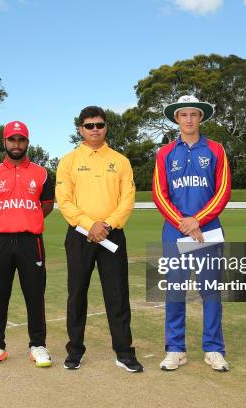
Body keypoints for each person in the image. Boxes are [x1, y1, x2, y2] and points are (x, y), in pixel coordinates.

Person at [55, 106, 143, 373]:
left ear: (106, 127)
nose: (95, 129)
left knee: (117, 296)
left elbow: (127, 200)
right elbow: (65, 201)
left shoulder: (121, 161)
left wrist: (106, 224)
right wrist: (89, 225)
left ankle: (124, 352)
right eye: (89, 125)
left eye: (100, 125)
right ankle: (75, 352)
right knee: (77, 295)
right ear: (80, 128)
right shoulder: (68, 161)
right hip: (80, 235)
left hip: (112, 234)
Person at [152, 95, 232, 372]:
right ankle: (175, 349)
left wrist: (198, 220)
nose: (188, 119)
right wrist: (183, 222)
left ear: (201, 118)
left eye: (193, 115)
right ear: (176, 118)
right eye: (183, 115)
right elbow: (159, 195)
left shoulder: (216, 149)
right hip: (175, 231)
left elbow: (223, 191)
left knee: (211, 292)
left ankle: (214, 349)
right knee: (175, 291)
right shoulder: (164, 153)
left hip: (208, 230)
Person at [0, 120, 55, 368]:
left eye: (21, 140)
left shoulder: (42, 173)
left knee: (35, 295)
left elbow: (47, 205)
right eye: (12, 139)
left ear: (27, 142)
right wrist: (5, 220)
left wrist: (27, 219)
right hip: (0, 241)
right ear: (4, 142)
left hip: (31, 241)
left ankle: (38, 345)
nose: (17, 144)